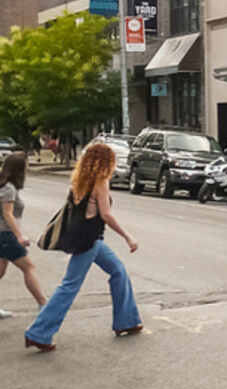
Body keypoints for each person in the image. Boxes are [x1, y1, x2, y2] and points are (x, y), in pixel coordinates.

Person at [25, 143, 141, 352]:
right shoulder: (100, 182)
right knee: (69, 286)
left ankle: (127, 321)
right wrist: (128, 237)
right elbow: (105, 214)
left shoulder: (78, 180)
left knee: (118, 271)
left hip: (86, 238)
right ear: (106, 162)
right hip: (89, 240)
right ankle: (38, 333)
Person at [0, 152, 46, 318]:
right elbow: (7, 214)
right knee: (28, 267)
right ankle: (43, 304)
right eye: (25, 166)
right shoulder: (8, 189)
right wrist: (19, 236)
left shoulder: (6, 186)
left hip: (3, 235)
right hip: (6, 235)